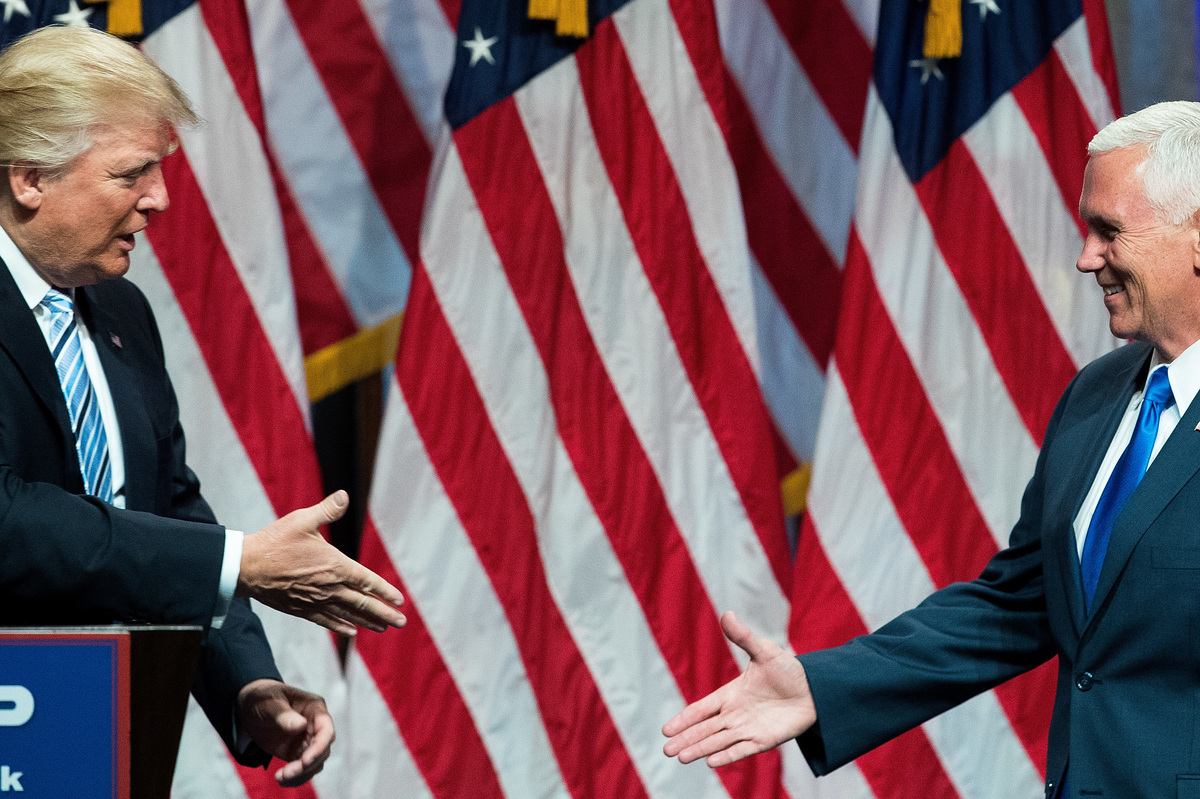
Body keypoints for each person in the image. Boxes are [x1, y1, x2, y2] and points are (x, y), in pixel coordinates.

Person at [663, 99, 1200, 799]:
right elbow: (1017, 602)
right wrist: (822, 687)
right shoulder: (1097, 396)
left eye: (1109, 230)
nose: (1085, 256)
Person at [0, 26, 407, 787]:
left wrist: (246, 685)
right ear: (29, 177)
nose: (159, 198)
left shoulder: (120, 312)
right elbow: (8, 521)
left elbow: (171, 512)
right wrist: (242, 561)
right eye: (132, 173)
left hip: (108, 738)